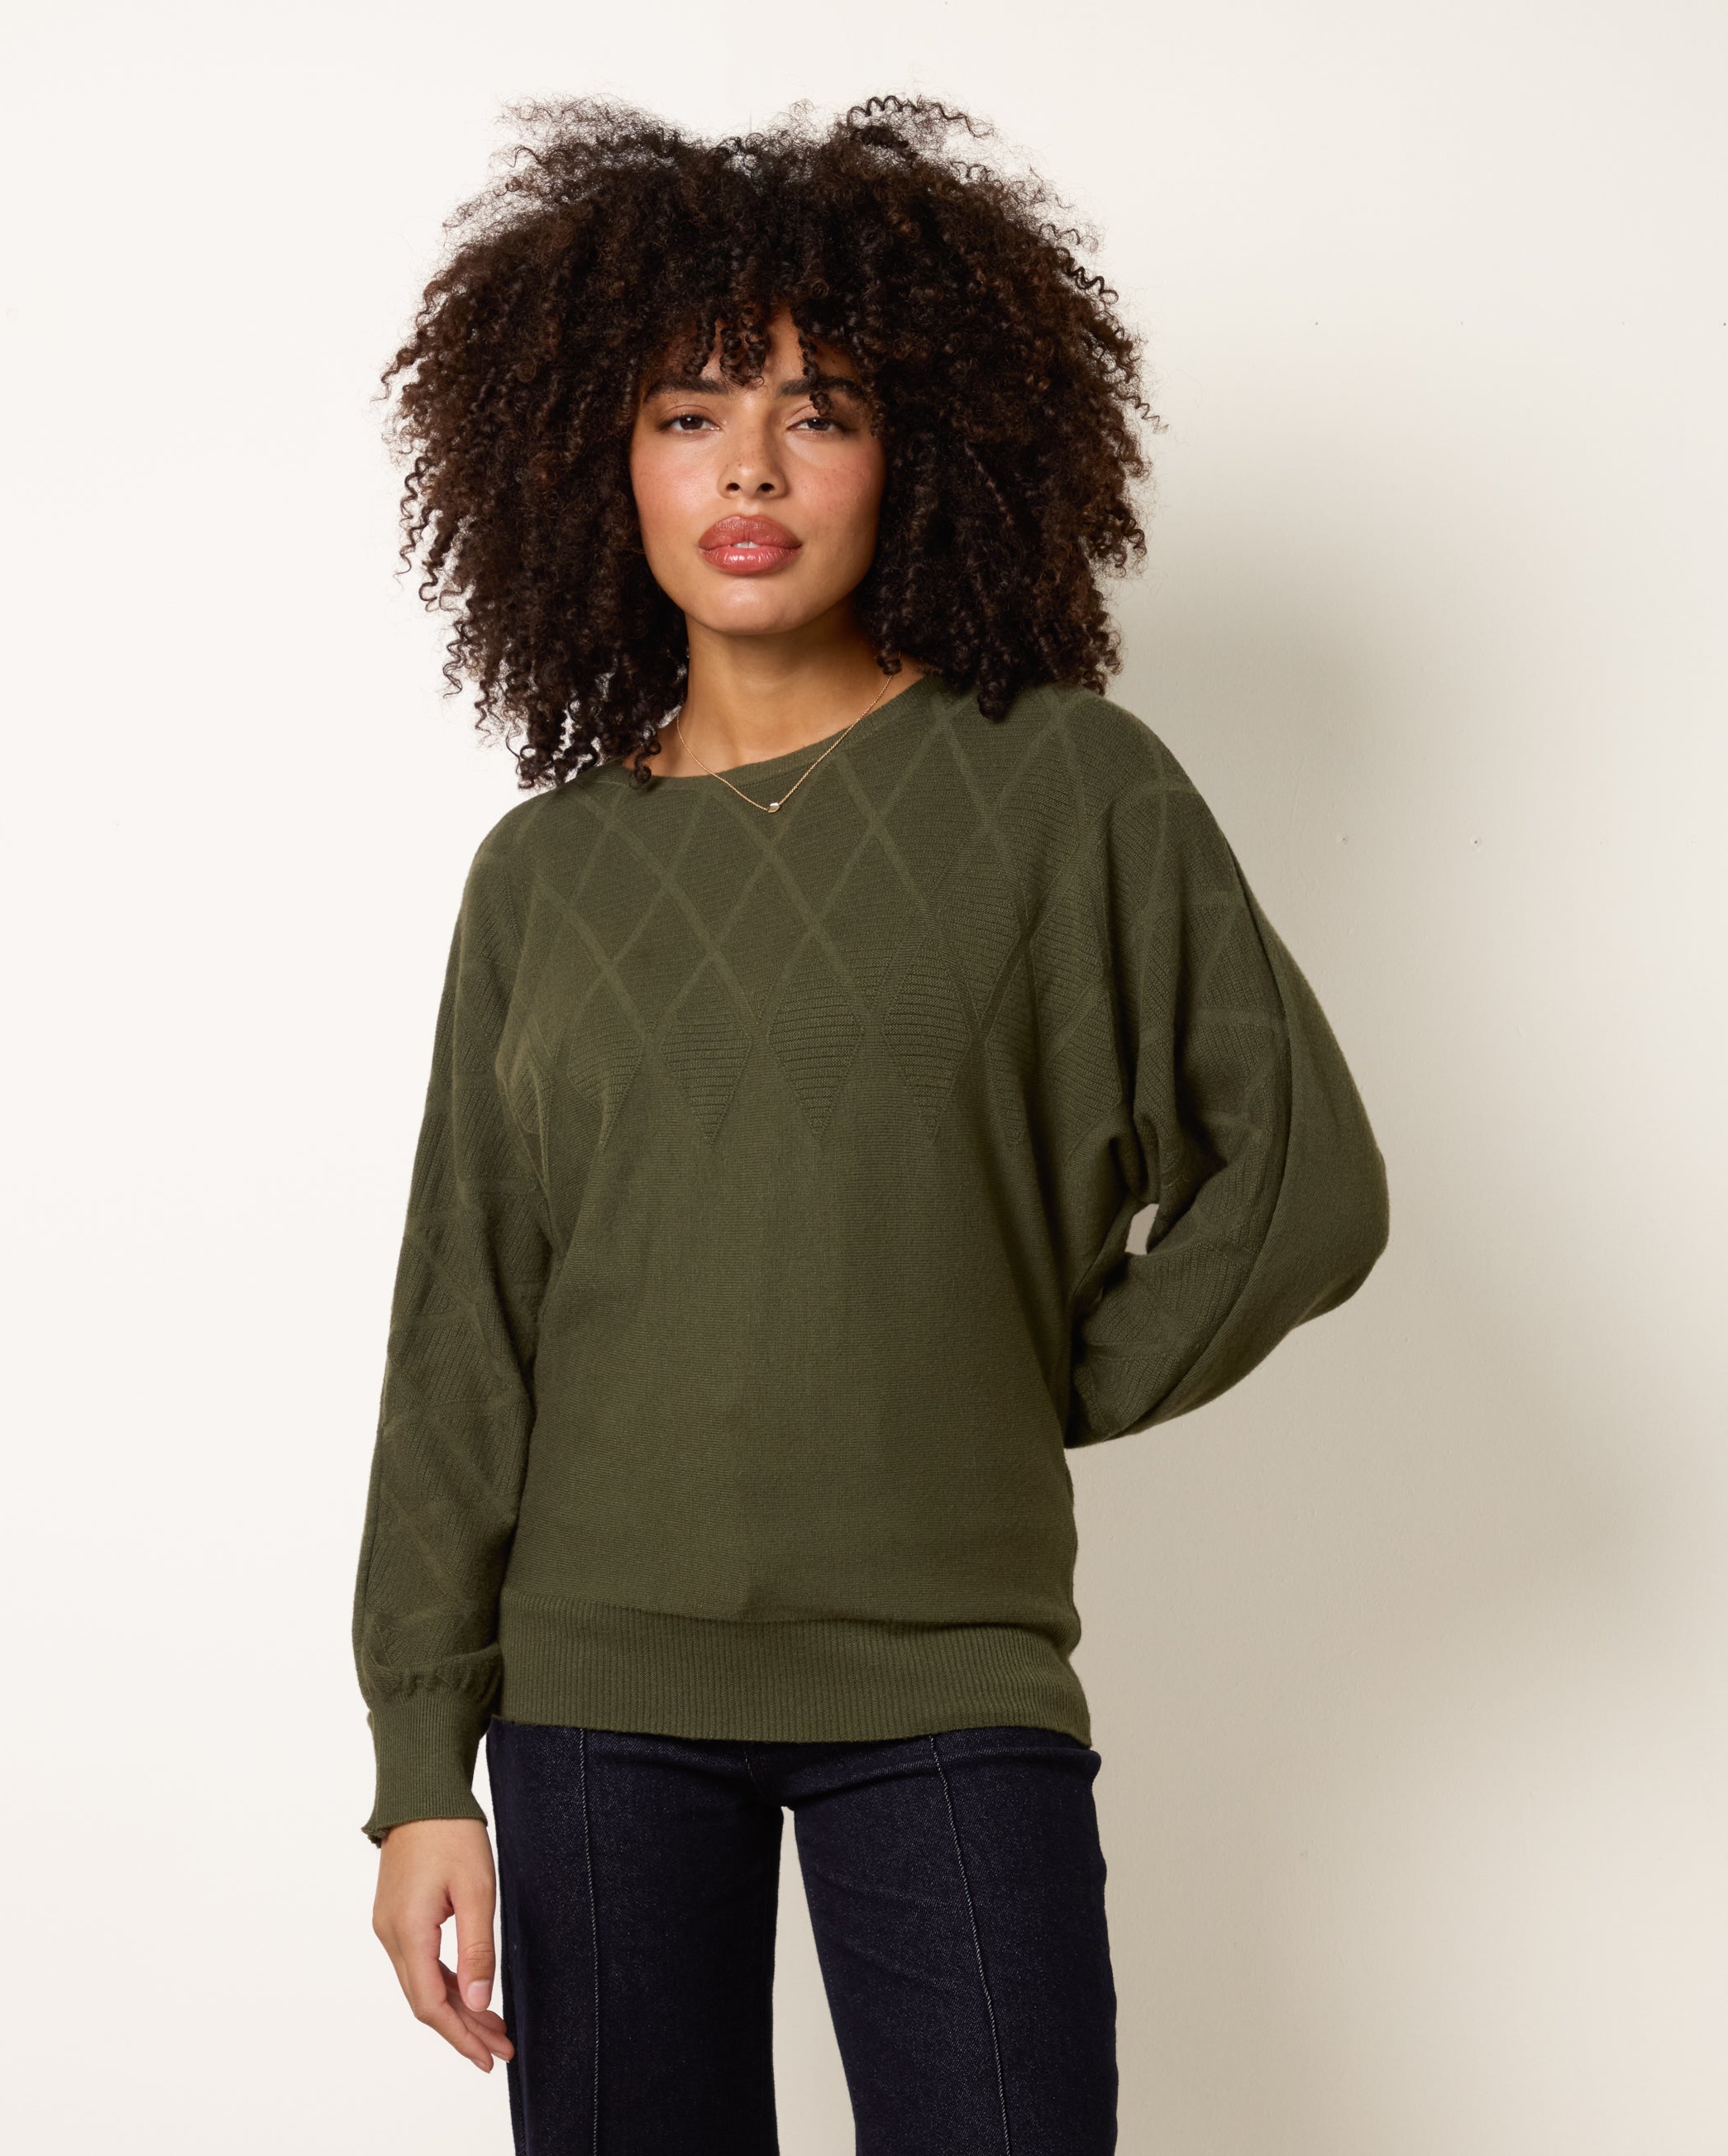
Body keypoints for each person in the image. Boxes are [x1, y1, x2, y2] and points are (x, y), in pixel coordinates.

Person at [351, 93, 1390, 2155]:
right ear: (595, 462)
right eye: (687, 413)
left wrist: (1010, 1375)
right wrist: (415, 1771)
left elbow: (1300, 1182)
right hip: (592, 1696)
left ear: (919, 455)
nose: (748, 467)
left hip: (948, 1673)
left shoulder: (1067, 789)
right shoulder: (544, 875)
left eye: (816, 412)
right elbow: (464, 1327)